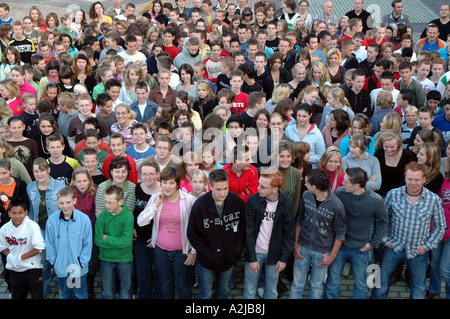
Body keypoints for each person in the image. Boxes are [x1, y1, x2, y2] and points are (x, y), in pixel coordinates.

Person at [372, 162, 446, 299]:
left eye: (417, 179)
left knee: (418, 288)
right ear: (405, 178)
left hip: (418, 251)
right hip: (393, 248)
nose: (413, 183)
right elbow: (381, 220)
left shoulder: (433, 199)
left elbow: (440, 226)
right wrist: (385, 241)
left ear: (424, 179)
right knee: (380, 284)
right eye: (410, 179)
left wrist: (427, 246)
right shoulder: (393, 194)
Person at [324, 167, 388, 299]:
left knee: (361, 284)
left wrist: (373, 244)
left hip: (362, 249)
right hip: (340, 246)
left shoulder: (376, 200)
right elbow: (331, 215)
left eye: (346, 181)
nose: (343, 183)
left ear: (357, 185)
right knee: (332, 281)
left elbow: (383, 222)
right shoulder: (340, 193)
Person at [137, 166, 196, 299]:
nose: (167, 186)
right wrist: (156, 204)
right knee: (165, 284)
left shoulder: (188, 200)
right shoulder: (155, 198)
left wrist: (194, 252)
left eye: (171, 183)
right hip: (160, 251)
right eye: (164, 182)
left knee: (182, 284)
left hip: (182, 252)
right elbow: (141, 221)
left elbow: (197, 228)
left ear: (177, 185)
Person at [187, 169, 245, 299]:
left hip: (228, 258)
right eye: (218, 189)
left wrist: (235, 250)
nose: (223, 193)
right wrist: (207, 254)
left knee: (224, 291)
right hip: (206, 261)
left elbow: (242, 229)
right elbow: (192, 234)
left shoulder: (237, 202)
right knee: (205, 293)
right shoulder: (200, 206)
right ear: (210, 186)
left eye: (226, 188)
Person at [290, 168, 346, 299]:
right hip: (302, 248)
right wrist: (296, 244)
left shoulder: (337, 206)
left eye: (307, 183)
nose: (305, 184)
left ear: (314, 187)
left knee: (316, 286)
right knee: (297, 284)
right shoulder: (306, 196)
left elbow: (340, 233)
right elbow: (300, 220)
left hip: (322, 253)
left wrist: (331, 256)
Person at [243, 170, 295, 299]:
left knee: (271, 290)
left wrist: (283, 258)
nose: (258, 188)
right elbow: (248, 231)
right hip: (255, 251)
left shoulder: (287, 204)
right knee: (249, 290)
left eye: (263, 186)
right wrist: (251, 257)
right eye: (259, 184)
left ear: (274, 189)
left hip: (275, 253)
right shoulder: (253, 201)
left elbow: (289, 233)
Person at [45, 187, 92, 299]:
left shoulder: (84, 220)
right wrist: (54, 262)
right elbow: (49, 243)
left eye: (68, 202)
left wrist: (82, 263)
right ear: (57, 202)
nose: (65, 206)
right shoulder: (51, 221)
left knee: (80, 294)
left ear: (74, 201)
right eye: (61, 203)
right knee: (65, 295)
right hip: (61, 268)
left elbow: (88, 244)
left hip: (78, 268)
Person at [26, 157, 65, 295]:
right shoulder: (30, 187)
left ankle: (62, 287)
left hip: (57, 230)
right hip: (39, 229)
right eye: (36, 171)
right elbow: (30, 211)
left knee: (60, 260)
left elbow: (65, 209)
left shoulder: (60, 187)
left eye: (42, 170)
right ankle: (44, 287)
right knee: (43, 262)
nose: (39, 174)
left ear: (48, 170)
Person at [95, 184, 134, 299]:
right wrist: (118, 242)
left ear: (120, 201)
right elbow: (97, 240)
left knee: (125, 292)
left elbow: (127, 241)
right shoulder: (102, 216)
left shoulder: (128, 216)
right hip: (106, 258)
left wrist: (107, 239)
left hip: (124, 258)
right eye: (105, 202)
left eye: (110, 202)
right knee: (107, 291)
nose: (107, 205)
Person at [0, 200, 45, 299]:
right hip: (14, 269)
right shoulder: (4, 229)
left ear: (26, 212)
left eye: (20, 213)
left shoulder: (32, 226)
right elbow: (2, 247)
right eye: (14, 213)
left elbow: (40, 248)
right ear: (8, 213)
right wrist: (10, 256)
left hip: (33, 268)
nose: (17, 216)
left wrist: (21, 257)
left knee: (37, 296)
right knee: (17, 295)